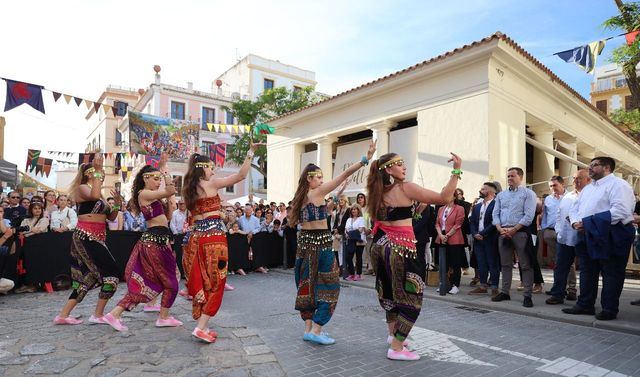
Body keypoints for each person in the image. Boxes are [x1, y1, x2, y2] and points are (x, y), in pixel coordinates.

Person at [366, 151, 461, 361]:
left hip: (380, 247)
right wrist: (456, 171)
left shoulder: (376, 191)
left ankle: (392, 336)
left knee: (389, 294)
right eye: (399, 164)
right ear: (389, 170)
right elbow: (445, 198)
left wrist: (416, 210)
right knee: (412, 298)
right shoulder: (405, 187)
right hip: (401, 249)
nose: (404, 167)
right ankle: (397, 348)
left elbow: (392, 216)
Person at [290, 140, 376, 346]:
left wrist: (336, 197)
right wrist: (366, 158)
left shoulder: (302, 196)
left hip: (305, 246)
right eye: (319, 177)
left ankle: (309, 329)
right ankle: (318, 328)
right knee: (330, 286)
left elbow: (322, 212)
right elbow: (343, 175)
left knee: (307, 286)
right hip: (321, 245)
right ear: (309, 179)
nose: (322, 180)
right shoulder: (317, 191)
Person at [182, 144, 261, 343]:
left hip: (197, 240)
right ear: (202, 168)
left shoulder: (188, 189)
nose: (213, 170)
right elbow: (241, 175)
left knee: (205, 282)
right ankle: (200, 328)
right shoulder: (211, 184)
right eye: (210, 167)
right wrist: (250, 152)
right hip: (214, 240)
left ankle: (204, 325)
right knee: (218, 282)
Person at [103, 155, 182, 332]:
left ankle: (115, 314)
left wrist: (170, 200)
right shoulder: (144, 194)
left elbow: (168, 216)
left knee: (155, 282)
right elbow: (168, 190)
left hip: (160, 241)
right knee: (170, 282)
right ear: (145, 179)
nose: (158, 181)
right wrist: (165, 170)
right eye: (156, 178)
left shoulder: (153, 198)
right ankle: (163, 317)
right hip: (154, 243)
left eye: (159, 179)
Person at [54, 155, 123, 325]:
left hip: (98, 237)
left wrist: (117, 204)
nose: (99, 174)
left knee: (89, 278)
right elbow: (93, 195)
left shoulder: (99, 195)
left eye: (100, 171)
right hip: (86, 235)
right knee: (112, 273)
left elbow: (112, 216)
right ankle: (98, 314)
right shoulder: (82, 188)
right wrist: (98, 171)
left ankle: (63, 315)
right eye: (94, 171)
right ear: (87, 174)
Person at [563, 157, 635, 320]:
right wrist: (575, 223)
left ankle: (609, 309)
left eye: (594, 166)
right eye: (590, 166)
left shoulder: (619, 185)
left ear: (607, 167)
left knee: (611, 272)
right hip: (587, 233)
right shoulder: (588, 189)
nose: (590, 169)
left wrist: (587, 222)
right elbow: (575, 208)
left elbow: (621, 211)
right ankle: (585, 305)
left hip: (611, 233)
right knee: (587, 270)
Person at [491, 167, 537, 308]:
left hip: (520, 232)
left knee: (525, 265)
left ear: (520, 177)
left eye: (512, 176)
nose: (509, 178)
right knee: (505, 264)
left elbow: (529, 215)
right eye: (508, 176)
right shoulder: (501, 195)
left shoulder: (528, 194)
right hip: (503, 232)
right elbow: (495, 214)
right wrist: (499, 228)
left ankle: (527, 295)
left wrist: (514, 229)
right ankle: (505, 292)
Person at [546, 169, 590, 305]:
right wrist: (559, 232)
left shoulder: (591, 195)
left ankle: (583, 298)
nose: (575, 181)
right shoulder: (568, 196)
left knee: (585, 270)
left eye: (579, 179)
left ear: (588, 180)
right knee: (560, 267)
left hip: (583, 238)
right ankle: (557, 294)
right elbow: (559, 215)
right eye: (574, 179)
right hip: (565, 239)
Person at [468, 182, 499, 295]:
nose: (480, 191)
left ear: (490, 191)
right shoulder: (477, 206)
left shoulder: (496, 205)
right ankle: (482, 286)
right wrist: (475, 233)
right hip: (478, 239)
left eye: (483, 189)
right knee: (481, 263)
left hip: (490, 238)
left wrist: (483, 233)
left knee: (492, 262)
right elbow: (472, 222)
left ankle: (495, 286)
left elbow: (494, 222)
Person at [435, 193, 466, 294]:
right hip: (441, 238)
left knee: (455, 263)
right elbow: (437, 224)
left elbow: (458, 224)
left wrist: (447, 235)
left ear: (454, 197)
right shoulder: (441, 209)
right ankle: (444, 284)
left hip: (454, 238)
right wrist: (440, 235)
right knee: (444, 263)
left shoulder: (459, 208)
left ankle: (455, 285)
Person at [237, 203, 266, 273]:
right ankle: (245, 267)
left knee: (254, 252)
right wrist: (244, 233)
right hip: (243, 237)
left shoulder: (255, 219)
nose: (248, 211)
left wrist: (252, 232)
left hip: (254, 237)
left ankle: (256, 266)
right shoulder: (241, 219)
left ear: (252, 210)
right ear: (244, 211)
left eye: (249, 210)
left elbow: (258, 228)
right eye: (246, 210)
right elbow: (239, 227)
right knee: (244, 252)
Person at [344, 204, 366, 281]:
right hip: (350, 241)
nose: (353, 210)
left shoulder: (361, 219)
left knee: (358, 258)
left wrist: (349, 233)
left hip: (359, 241)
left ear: (358, 210)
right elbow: (346, 229)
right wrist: (348, 234)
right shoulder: (348, 219)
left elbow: (360, 230)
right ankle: (351, 274)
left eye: (355, 209)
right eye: (352, 209)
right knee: (348, 257)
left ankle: (358, 274)